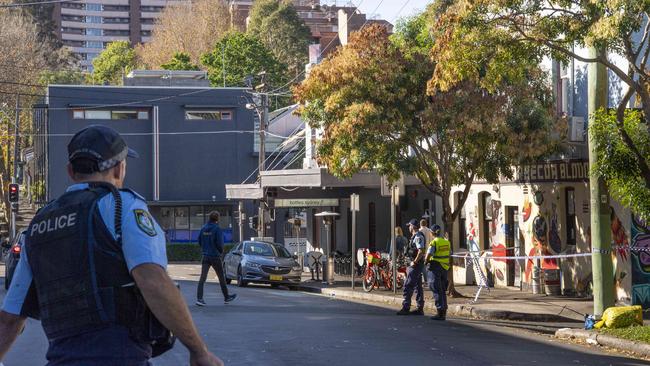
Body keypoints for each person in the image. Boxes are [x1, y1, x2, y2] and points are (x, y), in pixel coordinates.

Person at [0, 125, 223, 366]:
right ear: (119, 168)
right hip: (121, 357)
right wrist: (199, 351)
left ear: (70, 171)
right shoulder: (123, 206)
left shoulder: (39, 224)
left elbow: (10, 318)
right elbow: (153, 280)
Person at [196, 211, 237, 306]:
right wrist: (221, 252)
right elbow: (220, 244)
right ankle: (226, 297)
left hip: (205, 256)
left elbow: (199, 241)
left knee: (202, 277)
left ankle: (199, 298)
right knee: (221, 277)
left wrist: (205, 249)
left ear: (209, 218)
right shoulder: (217, 229)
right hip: (215, 256)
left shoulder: (203, 228)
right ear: (217, 219)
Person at [397, 219, 426, 316]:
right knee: (418, 286)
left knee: (408, 285)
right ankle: (419, 308)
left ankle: (406, 307)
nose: (408, 227)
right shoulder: (414, 236)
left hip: (415, 265)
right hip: (413, 264)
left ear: (413, 227)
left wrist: (414, 261)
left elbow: (421, 250)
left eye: (409, 226)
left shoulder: (418, 236)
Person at [426, 224, 451, 321]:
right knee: (442, 290)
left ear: (432, 233)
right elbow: (450, 253)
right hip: (444, 267)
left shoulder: (434, 242)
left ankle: (440, 312)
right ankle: (443, 311)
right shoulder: (446, 242)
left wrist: (425, 261)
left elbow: (429, 254)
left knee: (436, 289)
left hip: (435, 267)